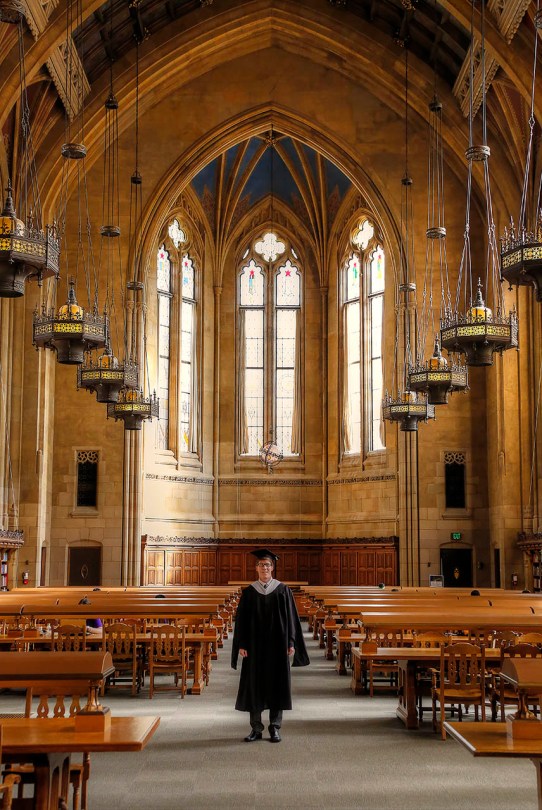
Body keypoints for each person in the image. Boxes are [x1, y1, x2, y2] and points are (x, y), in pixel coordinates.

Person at [231, 548, 309, 743]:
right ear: (256, 568)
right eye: (261, 565)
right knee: (254, 685)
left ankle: (275, 727)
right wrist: (242, 643)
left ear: (272, 567)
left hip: (278, 644)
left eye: (267, 565)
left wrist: (291, 642)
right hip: (254, 646)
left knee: (278, 684)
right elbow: (241, 621)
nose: (264, 568)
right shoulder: (249, 592)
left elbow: (292, 618)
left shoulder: (283, 590)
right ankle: (256, 728)